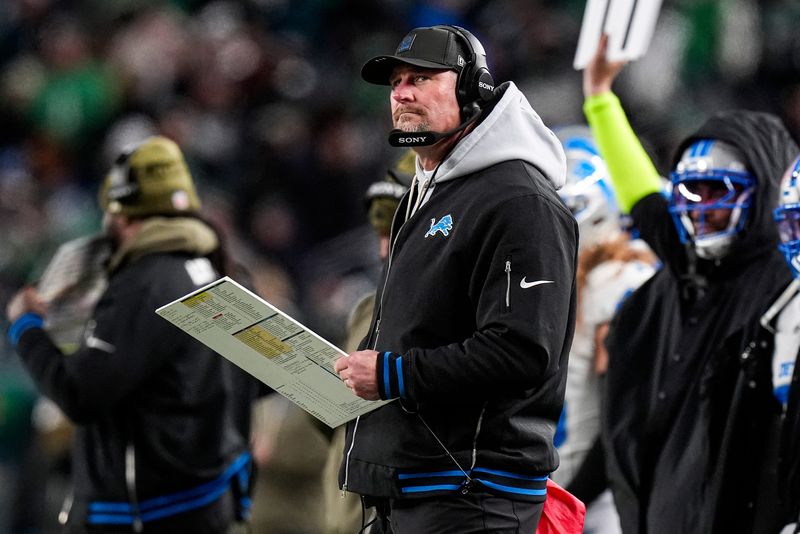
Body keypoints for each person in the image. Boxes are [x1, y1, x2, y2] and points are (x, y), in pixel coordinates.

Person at [333, 24, 578, 533]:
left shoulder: (520, 200)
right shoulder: (425, 195)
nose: (401, 93)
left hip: (471, 496)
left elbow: (523, 351)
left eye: (421, 78)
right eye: (397, 82)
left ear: (472, 89)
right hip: (411, 489)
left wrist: (392, 374)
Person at [582, 35, 799, 533]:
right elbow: (643, 196)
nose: (699, 209)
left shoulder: (784, 286)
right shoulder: (686, 261)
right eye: (688, 190)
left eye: (717, 191)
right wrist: (600, 98)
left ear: (763, 193)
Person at [5, 136, 256, 533]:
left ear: (122, 216)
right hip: (207, 503)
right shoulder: (221, 269)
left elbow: (79, 394)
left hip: (144, 515)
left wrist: (25, 327)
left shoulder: (144, 284)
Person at [550, 125, 657, 534]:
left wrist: (571, 496)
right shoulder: (576, 284)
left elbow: (620, 420)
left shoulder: (614, 281)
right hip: (578, 494)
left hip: (597, 501)